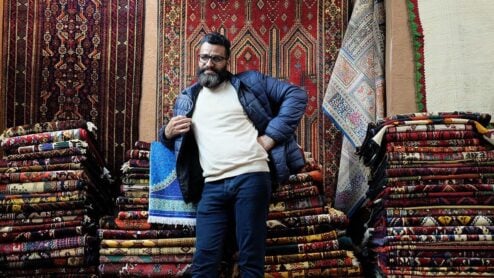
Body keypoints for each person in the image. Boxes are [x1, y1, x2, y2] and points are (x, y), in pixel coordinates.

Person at [159, 32, 307, 277]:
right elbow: (170, 141)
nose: (209, 64)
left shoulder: (250, 83)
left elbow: (297, 95)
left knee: (250, 258)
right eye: (204, 57)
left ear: (227, 61)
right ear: (198, 59)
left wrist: (270, 138)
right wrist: (166, 132)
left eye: (216, 59)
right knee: (204, 261)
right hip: (212, 186)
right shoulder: (188, 99)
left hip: (251, 178)